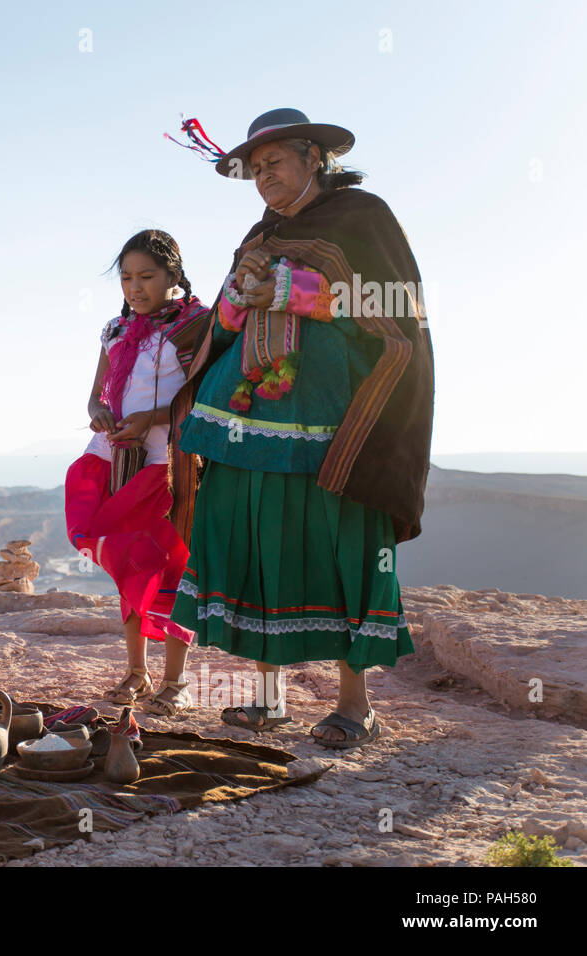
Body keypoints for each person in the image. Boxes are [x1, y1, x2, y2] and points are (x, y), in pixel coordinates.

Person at [166, 109, 434, 749]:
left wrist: (291, 289)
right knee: (259, 538)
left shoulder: (361, 219)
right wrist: (240, 295)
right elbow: (226, 323)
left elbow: (393, 305)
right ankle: (267, 697)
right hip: (245, 417)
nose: (263, 178)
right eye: (254, 170)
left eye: (274, 163)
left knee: (338, 542)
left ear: (314, 156)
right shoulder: (260, 231)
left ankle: (354, 705)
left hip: (330, 422)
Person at [65, 229, 211, 715]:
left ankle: (177, 679)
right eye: (126, 277)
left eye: (147, 276)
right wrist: (99, 412)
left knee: (173, 564)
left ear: (174, 274)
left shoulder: (198, 327)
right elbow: (97, 392)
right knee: (127, 558)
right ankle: (135, 670)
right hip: (118, 458)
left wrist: (152, 419)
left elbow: (205, 399)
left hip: (171, 463)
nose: (135, 287)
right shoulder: (116, 330)